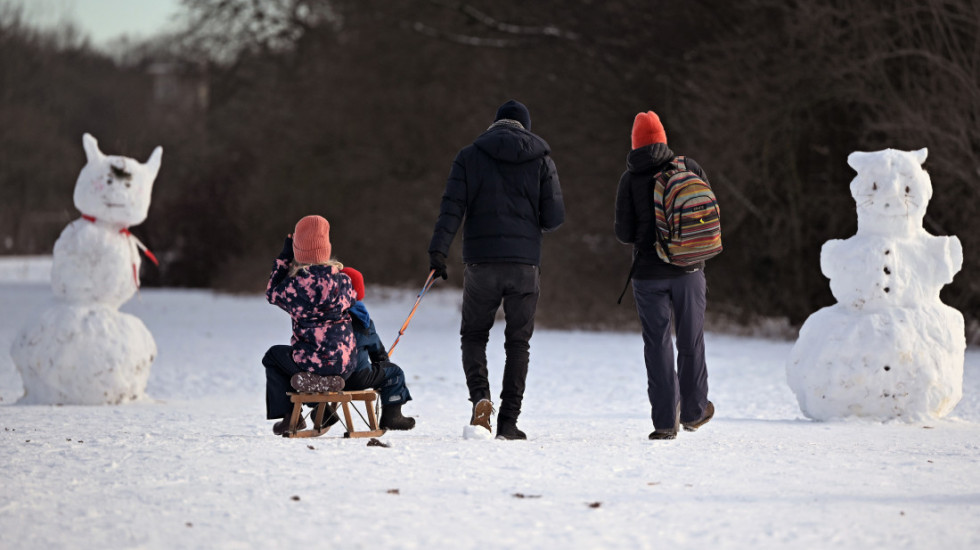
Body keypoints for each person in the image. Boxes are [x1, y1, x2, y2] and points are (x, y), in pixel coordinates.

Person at [428, 99, 565, 440]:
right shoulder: (541, 159)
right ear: (526, 128)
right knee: (518, 343)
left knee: (474, 335)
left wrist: (438, 252)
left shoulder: (469, 156)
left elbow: (451, 209)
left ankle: (481, 399)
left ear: (495, 124)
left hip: (482, 263)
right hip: (524, 265)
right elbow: (554, 218)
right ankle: (508, 422)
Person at [261, 215, 413, 435]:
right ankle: (322, 397)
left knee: (273, 357)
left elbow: (271, 292)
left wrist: (285, 256)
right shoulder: (343, 282)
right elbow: (355, 302)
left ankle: (289, 416)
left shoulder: (292, 288)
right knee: (386, 369)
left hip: (308, 365)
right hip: (345, 367)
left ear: (297, 252)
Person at [614, 111, 715, 440]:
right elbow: (706, 213)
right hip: (689, 270)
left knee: (657, 344)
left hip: (648, 274)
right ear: (663, 139)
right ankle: (694, 412)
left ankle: (664, 422)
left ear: (635, 143)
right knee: (691, 339)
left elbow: (624, 233)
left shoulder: (630, 179)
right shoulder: (689, 167)